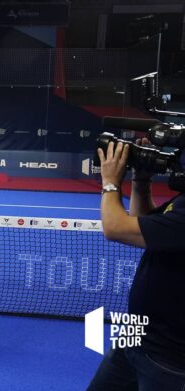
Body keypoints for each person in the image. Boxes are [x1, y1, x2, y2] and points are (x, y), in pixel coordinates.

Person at [87, 139, 185, 390]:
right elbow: (145, 224)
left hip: (168, 356)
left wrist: (110, 183)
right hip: (135, 337)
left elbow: (115, 228)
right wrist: (141, 181)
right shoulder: (181, 203)